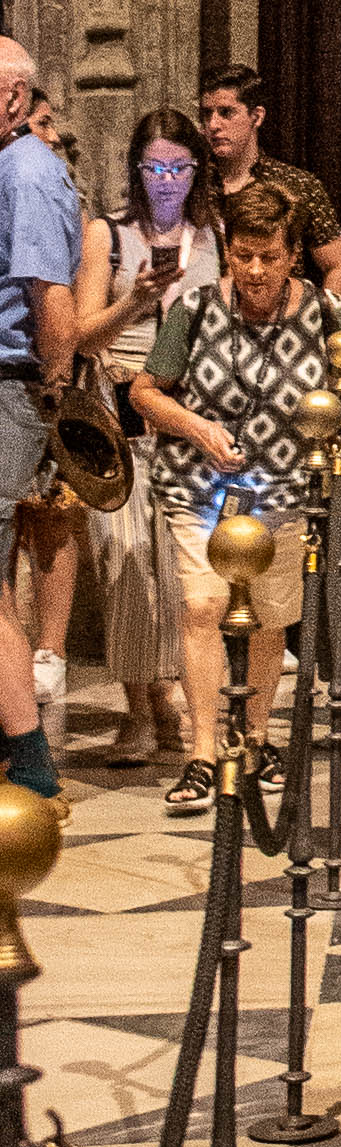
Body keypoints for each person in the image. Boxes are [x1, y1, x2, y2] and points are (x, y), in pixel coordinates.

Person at [133, 184, 335, 807]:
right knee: (204, 606)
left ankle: (256, 739)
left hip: (281, 489)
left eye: (268, 257)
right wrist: (196, 426)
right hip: (201, 488)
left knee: (272, 618)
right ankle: (201, 752)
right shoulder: (192, 310)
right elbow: (145, 391)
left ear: (293, 253)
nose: (253, 271)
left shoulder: (325, 315)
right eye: (242, 256)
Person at [82, 110, 217, 776]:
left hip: (194, 419)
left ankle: (187, 712)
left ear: (197, 171)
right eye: (154, 168)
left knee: (187, 574)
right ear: (137, 170)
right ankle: (139, 710)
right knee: (129, 564)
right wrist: (135, 300)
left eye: (179, 167)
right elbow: (80, 336)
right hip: (123, 420)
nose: (167, 181)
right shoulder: (106, 234)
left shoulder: (215, 236)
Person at [0, 42, 84, 801]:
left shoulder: (27, 171)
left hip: (7, 387)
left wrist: (50, 393)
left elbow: (51, 301)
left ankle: (28, 756)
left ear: (13, 100)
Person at [197, 68, 341, 309]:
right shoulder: (194, 185)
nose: (213, 124)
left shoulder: (296, 185)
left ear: (256, 116)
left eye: (226, 112)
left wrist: (317, 322)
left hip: (283, 323)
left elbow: (338, 266)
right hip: (211, 322)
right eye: (206, 114)